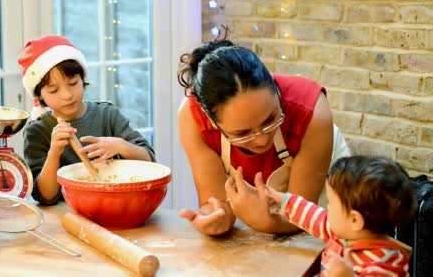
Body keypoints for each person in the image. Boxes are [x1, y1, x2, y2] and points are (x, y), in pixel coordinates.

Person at [176, 28, 349, 235]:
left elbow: (305, 216)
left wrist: (264, 222)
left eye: (270, 120)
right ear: (211, 120)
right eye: (242, 133)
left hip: (323, 207)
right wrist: (216, 218)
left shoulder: (312, 112)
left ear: (276, 90)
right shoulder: (192, 118)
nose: (261, 140)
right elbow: (218, 203)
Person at [17, 35, 155, 205]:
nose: (67, 95)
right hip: (66, 218)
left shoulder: (107, 115)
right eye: (53, 90)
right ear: (39, 96)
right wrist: (54, 153)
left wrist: (121, 145)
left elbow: (149, 160)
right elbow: (45, 196)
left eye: (73, 83)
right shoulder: (37, 131)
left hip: (115, 205)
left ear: (83, 80)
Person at [260, 156, 416, 276]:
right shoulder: (345, 233)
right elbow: (315, 217)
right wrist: (283, 200)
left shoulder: (386, 263)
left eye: (331, 203)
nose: (327, 208)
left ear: (355, 220)